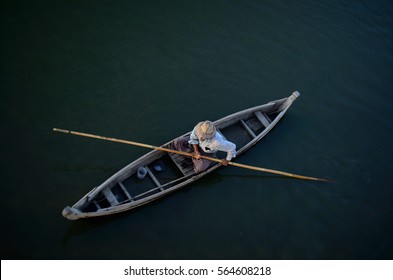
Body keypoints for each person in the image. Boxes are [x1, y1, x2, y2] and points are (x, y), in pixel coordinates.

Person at [172, 120, 236, 173]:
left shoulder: (217, 142)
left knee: (200, 168)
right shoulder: (198, 128)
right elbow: (193, 138)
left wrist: (227, 160)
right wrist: (196, 151)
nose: (200, 135)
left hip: (207, 152)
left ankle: (193, 157)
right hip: (196, 145)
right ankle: (193, 155)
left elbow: (232, 147)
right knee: (177, 141)